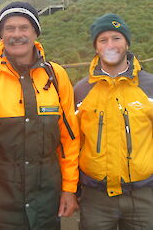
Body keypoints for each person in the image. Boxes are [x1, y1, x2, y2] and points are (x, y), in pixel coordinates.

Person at [0, 1, 80, 230]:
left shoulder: (56, 76)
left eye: (24, 27)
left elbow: (69, 140)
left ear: (35, 32)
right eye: (9, 28)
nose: (17, 34)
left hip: (46, 199)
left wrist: (69, 188)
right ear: (1, 34)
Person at [74, 13, 153, 230]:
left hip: (145, 196)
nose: (110, 45)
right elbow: (73, 143)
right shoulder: (81, 90)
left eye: (116, 38)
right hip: (96, 198)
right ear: (96, 47)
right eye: (103, 40)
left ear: (127, 42)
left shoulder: (150, 86)